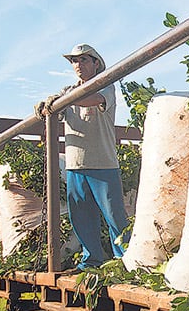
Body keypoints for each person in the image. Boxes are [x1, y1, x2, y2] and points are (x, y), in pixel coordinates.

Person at [35, 43, 128, 271]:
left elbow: (89, 100)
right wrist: (48, 104)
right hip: (76, 165)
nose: (78, 65)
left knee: (115, 217)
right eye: (75, 61)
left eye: (84, 60)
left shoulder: (105, 86)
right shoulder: (67, 91)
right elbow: (57, 108)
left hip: (102, 163)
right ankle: (92, 260)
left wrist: (61, 101)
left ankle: (126, 262)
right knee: (82, 217)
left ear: (96, 63)